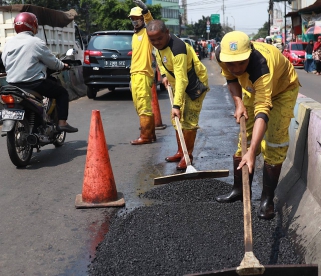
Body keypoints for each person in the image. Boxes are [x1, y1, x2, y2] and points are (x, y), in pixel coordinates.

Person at [214, 31, 300, 220]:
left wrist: (253, 152)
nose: (236, 67)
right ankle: (240, 190)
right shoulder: (222, 55)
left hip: (282, 91)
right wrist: (239, 104)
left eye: (241, 63)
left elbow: (263, 110)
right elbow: (231, 79)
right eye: (231, 63)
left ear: (250, 54)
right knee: (243, 141)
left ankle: (267, 200)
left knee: (275, 143)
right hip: (253, 89)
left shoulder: (261, 67)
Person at [146, 20, 209, 170]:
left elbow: (183, 79)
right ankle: (181, 152)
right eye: (152, 40)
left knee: (188, 121)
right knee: (176, 120)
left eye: (159, 39)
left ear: (167, 33)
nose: (156, 42)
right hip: (177, 84)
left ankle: (188, 156)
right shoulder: (157, 46)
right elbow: (161, 61)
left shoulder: (178, 49)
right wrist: (164, 76)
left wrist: (177, 105)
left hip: (194, 85)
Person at [2, 12, 77, 133]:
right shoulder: (36, 42)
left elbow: (5, 62)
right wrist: (63, 66)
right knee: (62, 93)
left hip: (13, 84)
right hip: (34, 84)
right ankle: (62, 123)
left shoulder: (8, 43)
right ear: (33, 25)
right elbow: (53, 62)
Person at [128, 0, 156, 145]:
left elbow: (150, 22)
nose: (134, 21)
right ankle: (151, 133)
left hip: (143, 73)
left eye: (136, 18)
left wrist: (145, 10)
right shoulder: (135, 35)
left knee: (143, 105)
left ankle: (145, 136)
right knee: (139, 105)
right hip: (135, 73)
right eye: (132, 19)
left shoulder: (147, 32)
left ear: (141, 19)